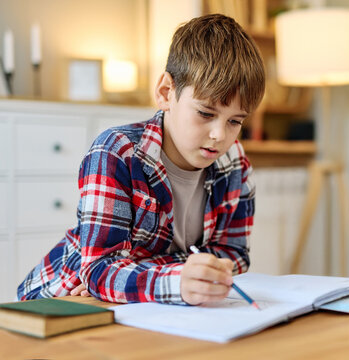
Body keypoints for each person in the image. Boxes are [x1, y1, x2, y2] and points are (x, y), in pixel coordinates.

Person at [17, 13, 265, 305]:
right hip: (57, 300)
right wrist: (175, 278)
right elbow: (97, 270)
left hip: (141, 305)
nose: (219, 135)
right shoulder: (116, 152)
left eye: (235, 121)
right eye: (206, 113)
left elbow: (235, 255)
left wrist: (138, 275)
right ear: (165, 92)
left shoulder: (234, 162)